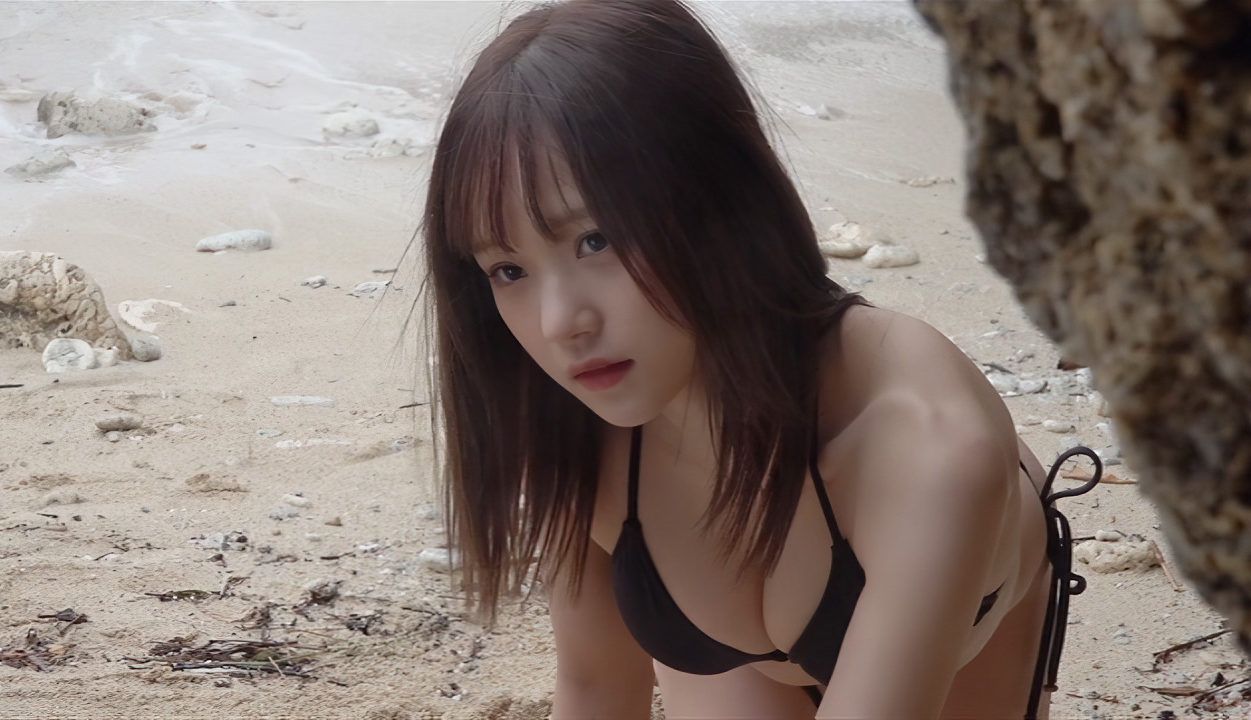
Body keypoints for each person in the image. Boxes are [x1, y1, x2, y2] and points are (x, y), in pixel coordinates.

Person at [421, 0, 1100, 717]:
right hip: (736, 651)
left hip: (961, 617)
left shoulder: (928, 447)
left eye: (597, 239)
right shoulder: (577, 417)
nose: (559, 324)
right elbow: (596, 686)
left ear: (715, 192)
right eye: (508, 269)